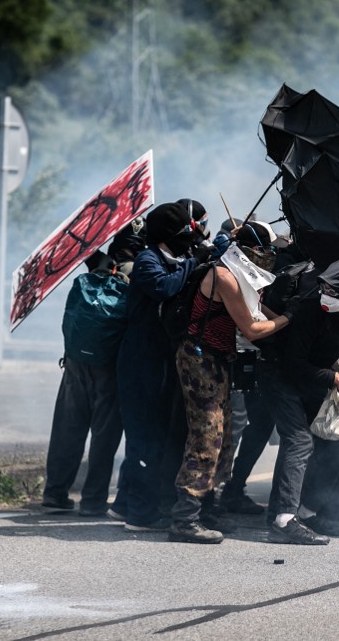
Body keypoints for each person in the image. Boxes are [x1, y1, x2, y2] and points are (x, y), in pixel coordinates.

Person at [167, 223, 292, 543]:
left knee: (223, 435)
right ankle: (185, 518)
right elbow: (251, 328)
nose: (273, 254)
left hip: (219, 359)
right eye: (268, 248)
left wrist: (280, 313)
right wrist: (289, 319)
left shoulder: (241, 274)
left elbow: (257, 308)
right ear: (251, 250)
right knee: (206, 436)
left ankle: (207, 508)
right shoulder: (224, 276)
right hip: (200, 359)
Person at [109, 202, 206, 531]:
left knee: (161, 436)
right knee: (142, 438)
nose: (189, 240)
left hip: (163, 358)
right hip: (140, 359)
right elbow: (165, 287)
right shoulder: (147, 262)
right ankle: (139, 514)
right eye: (185, 234)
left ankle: (127, 505)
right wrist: (195, 261)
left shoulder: (174, 258)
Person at [40, 223, 142, 516]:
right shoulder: (140, 270)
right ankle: (93, 501)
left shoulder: (98, 262)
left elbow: (77, 244)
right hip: (109, 368)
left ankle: (55, 494)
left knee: (67, 431)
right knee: (104, 437)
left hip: (74, 363)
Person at [261, 260, 339, 545]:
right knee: (299, 441)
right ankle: (283, 520)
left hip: (308, 382)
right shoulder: (308, 308)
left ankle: (305, 513)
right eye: (324, 285)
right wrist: (333, 378)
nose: (325, 292)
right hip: (278, 375)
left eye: (333, 289)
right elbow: (293, 364)